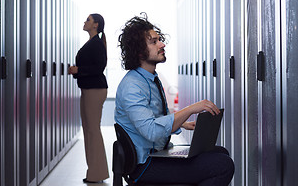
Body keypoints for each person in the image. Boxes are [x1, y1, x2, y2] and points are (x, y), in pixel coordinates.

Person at [114, 13, 234, 185]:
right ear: (139, 52)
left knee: (220, 152)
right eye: (154, 42)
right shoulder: (132, 86)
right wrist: (191, 109)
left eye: (159, 39)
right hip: (145, 165)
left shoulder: (149, 78)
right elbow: (151, 131)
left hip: (156, 154)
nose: (162, 44)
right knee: (222, 165)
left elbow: (149, 117)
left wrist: (181, 122)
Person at [68, 13, 109, 184]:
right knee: (89, 130)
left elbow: (99, 67)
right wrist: (78, 72)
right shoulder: (92, 42)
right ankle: (93, 171)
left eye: (88, 20)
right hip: (88, 88)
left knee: (93, 130)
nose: (84, 22)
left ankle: (97, 173)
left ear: (95, 25)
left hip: (95, 89)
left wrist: (79, 70)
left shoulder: (97, 43)